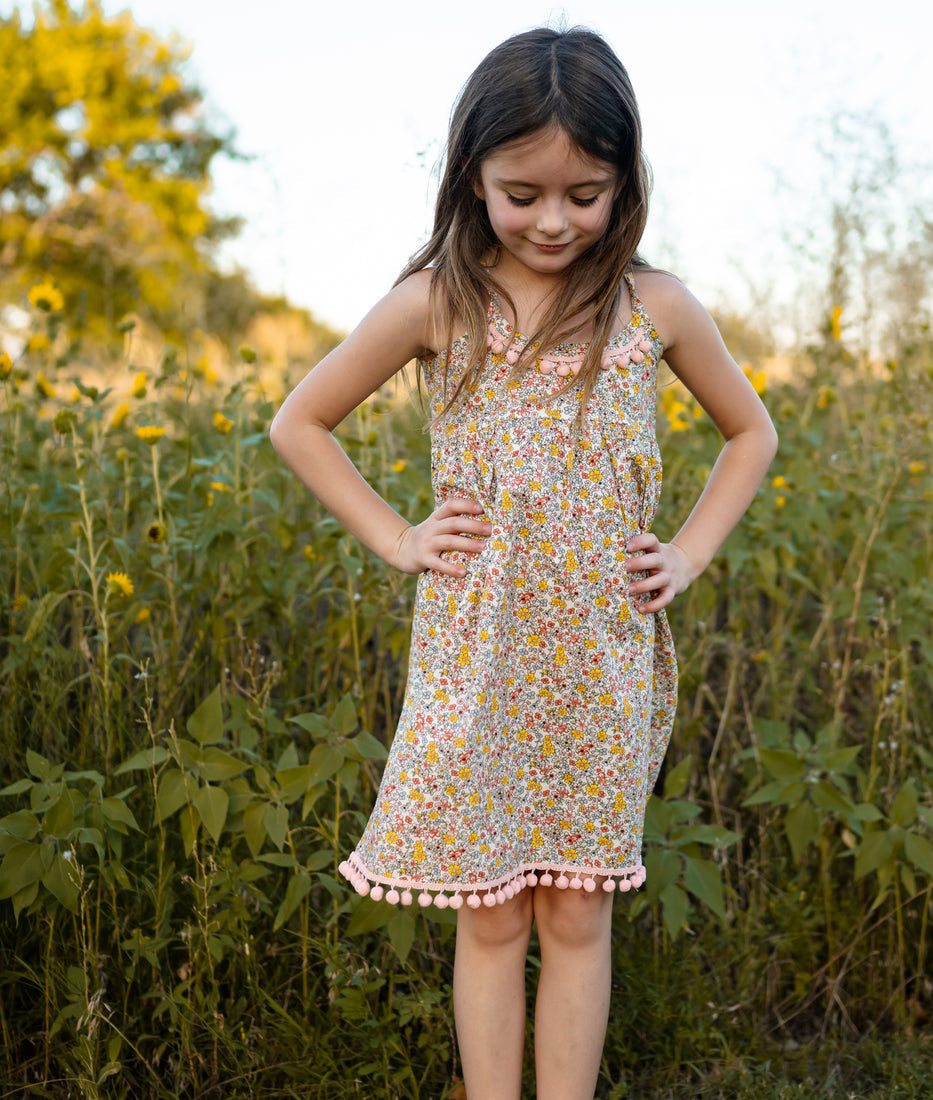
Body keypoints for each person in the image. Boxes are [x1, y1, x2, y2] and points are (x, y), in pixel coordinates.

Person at [270, 25, 777, 1100]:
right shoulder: (435, 302)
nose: (553, 218)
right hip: (478, 648)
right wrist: (396, 536)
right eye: (523, 192)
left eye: (584, 193)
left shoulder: (655, 307)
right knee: (490, 907)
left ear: (622, 185)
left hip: (596, 653)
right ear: (472, 179)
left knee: (578, 904)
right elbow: (300, 421)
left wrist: (684, 552)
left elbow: (751, 434)